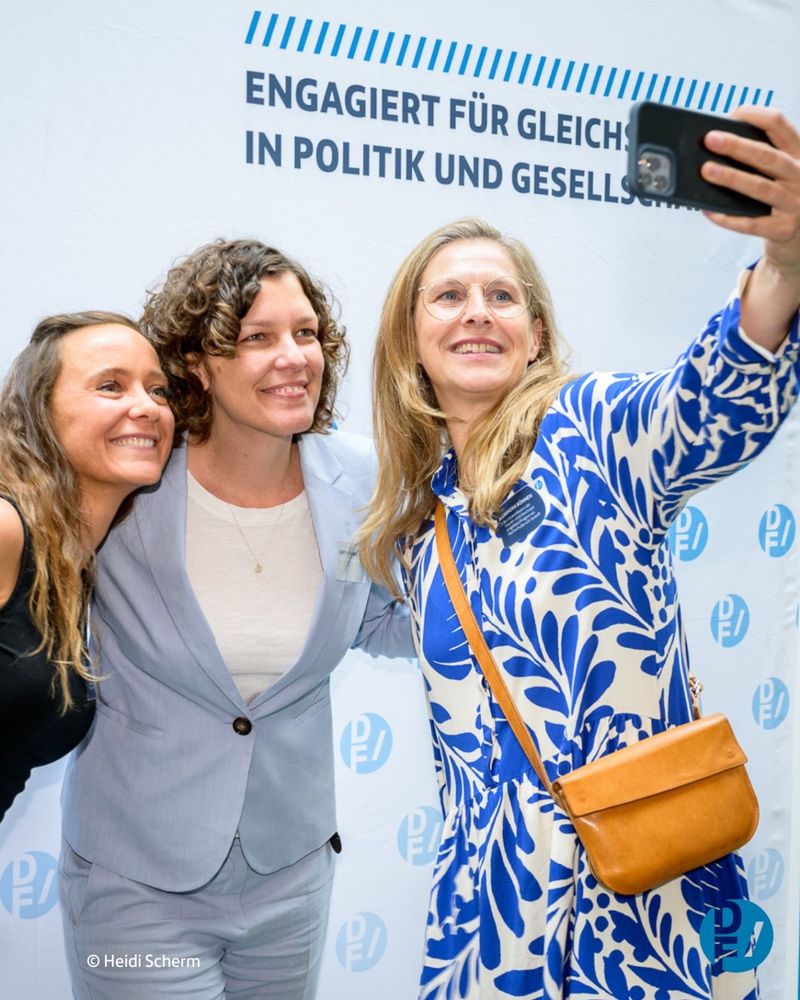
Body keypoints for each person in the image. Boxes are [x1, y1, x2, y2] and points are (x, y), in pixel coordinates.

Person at [359, 107, 800, 998]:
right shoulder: (416, 534)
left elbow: (712, 397)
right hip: (493, 924)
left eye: (502, 295)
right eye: (447, 296)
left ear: (537, 333)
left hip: (651, 905)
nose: (477, 313)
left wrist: (787, 260)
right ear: (411, 341)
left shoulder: (595, 430)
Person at [59, 239, 413, 1000]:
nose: (293, 357)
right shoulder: (133, 478)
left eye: (306, 333)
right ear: (197, 364)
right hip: (137, 879)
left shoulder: (360, 478)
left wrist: (517, 607)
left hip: (290, 875)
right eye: (256, 338)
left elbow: (380, 621)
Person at [0, 312, 174, 822]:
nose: (146, 407)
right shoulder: (6, 529)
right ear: (40, 412)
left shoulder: (72, 563)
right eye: (110, 387)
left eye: (158, 391)